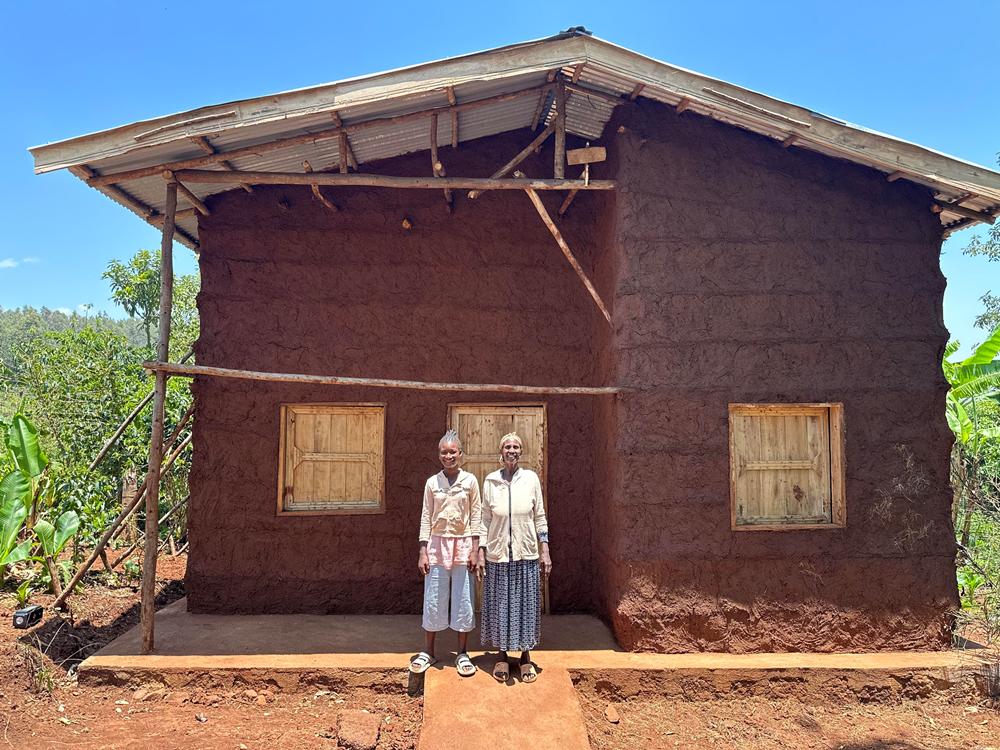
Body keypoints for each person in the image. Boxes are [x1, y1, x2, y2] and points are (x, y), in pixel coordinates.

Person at [476, 431, 551, 683]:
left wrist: (545, 549)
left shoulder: (530, 479)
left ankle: (525, 657)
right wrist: (481, 550)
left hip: (525, 553)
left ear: (521, 452)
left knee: (525, 607)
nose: (511, 451)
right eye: (507, 447)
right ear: (501, 452)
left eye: (516, 447)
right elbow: (485, 519)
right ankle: (502, 656)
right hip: (498, 554)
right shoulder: (491, 481)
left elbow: (539, 515)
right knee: (501, 607)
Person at [410, 429, 482, 677]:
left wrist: (475, 550)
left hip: (463, 546)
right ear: (438, 455)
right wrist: (423, 551)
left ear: (461, 454)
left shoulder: (470, 481)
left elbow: (476, 516)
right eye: (444, 452)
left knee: (464, 598)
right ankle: (429, 651)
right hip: (437, 545)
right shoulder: (432, 483)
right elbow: (426, 516)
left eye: (453, 452)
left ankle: (462, 653)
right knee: (433, 597)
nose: (448, 456)